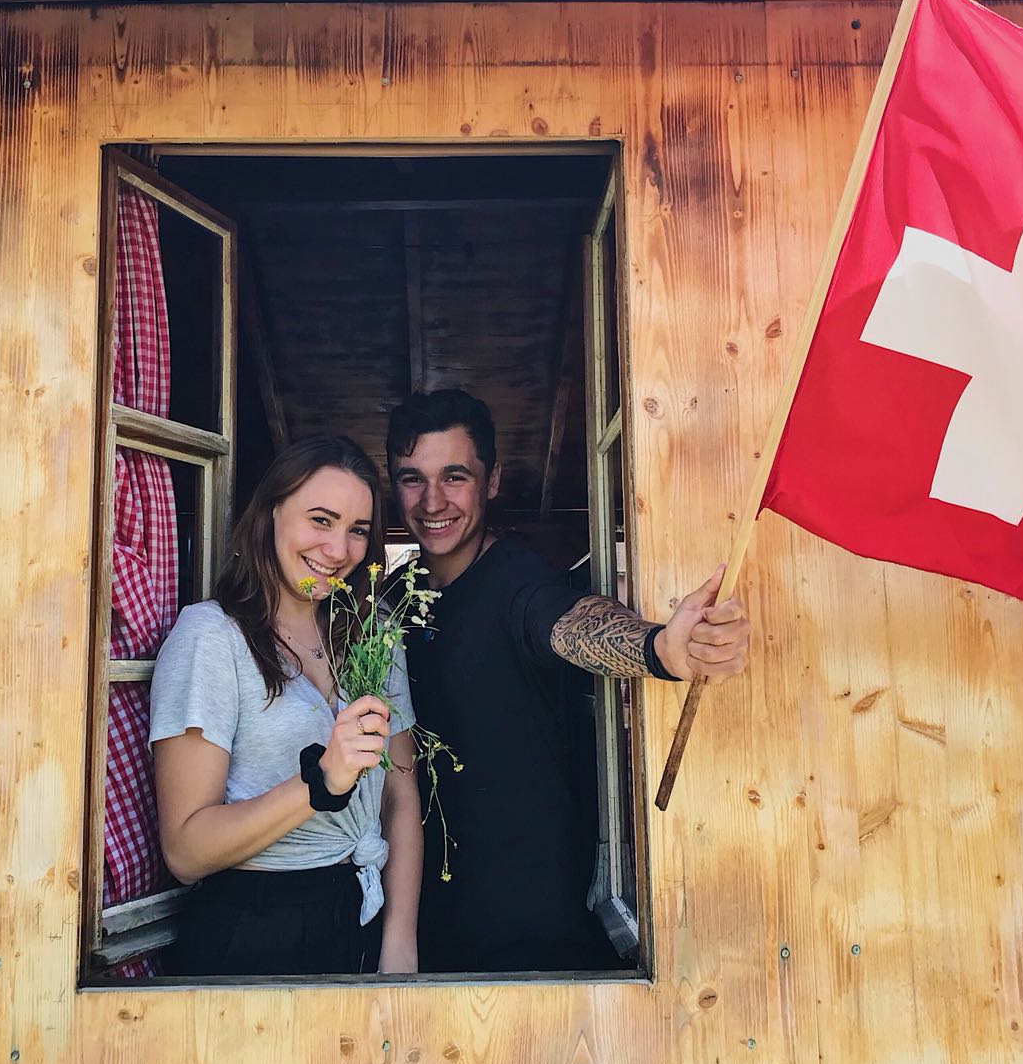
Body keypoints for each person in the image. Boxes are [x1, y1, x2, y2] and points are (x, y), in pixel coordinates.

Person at [387, 390, 750, 973]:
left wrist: (658, 648)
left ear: (493, 480)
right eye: (412, 479)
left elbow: (572, 622)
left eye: (455, 476)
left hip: (526, 925)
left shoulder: (516, 579)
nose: (433, 500)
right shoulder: (391, 599)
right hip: (414, 917)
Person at [150, 435, 423, 976]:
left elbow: (401, 794)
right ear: (271, 512)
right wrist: (321, 781)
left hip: (361, 914)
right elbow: (185, 850)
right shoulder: (212, 638)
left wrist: (400, 943)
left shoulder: (373, 637)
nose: (339, 549)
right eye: (320, 520)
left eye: (357, 531)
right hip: (254, 929)